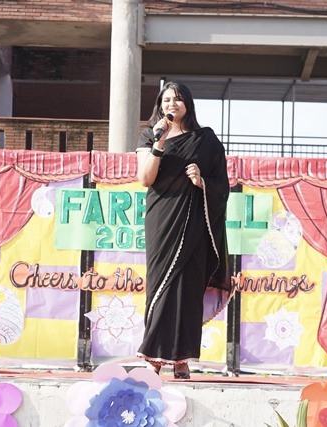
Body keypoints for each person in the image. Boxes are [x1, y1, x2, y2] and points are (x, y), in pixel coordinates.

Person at [136, 81, 232, 379]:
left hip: (194, 222)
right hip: (162, 217)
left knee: (189, 289)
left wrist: (202, 181)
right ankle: (153, 356)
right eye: (166, 100)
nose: (172, 104)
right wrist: (159, 144)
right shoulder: (150, 135)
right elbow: (145, 179)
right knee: (160, 285)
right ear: (160, 105)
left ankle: (181, 359)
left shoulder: (206, 140)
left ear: (187, 104)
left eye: (177, 99)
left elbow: (223, 186)